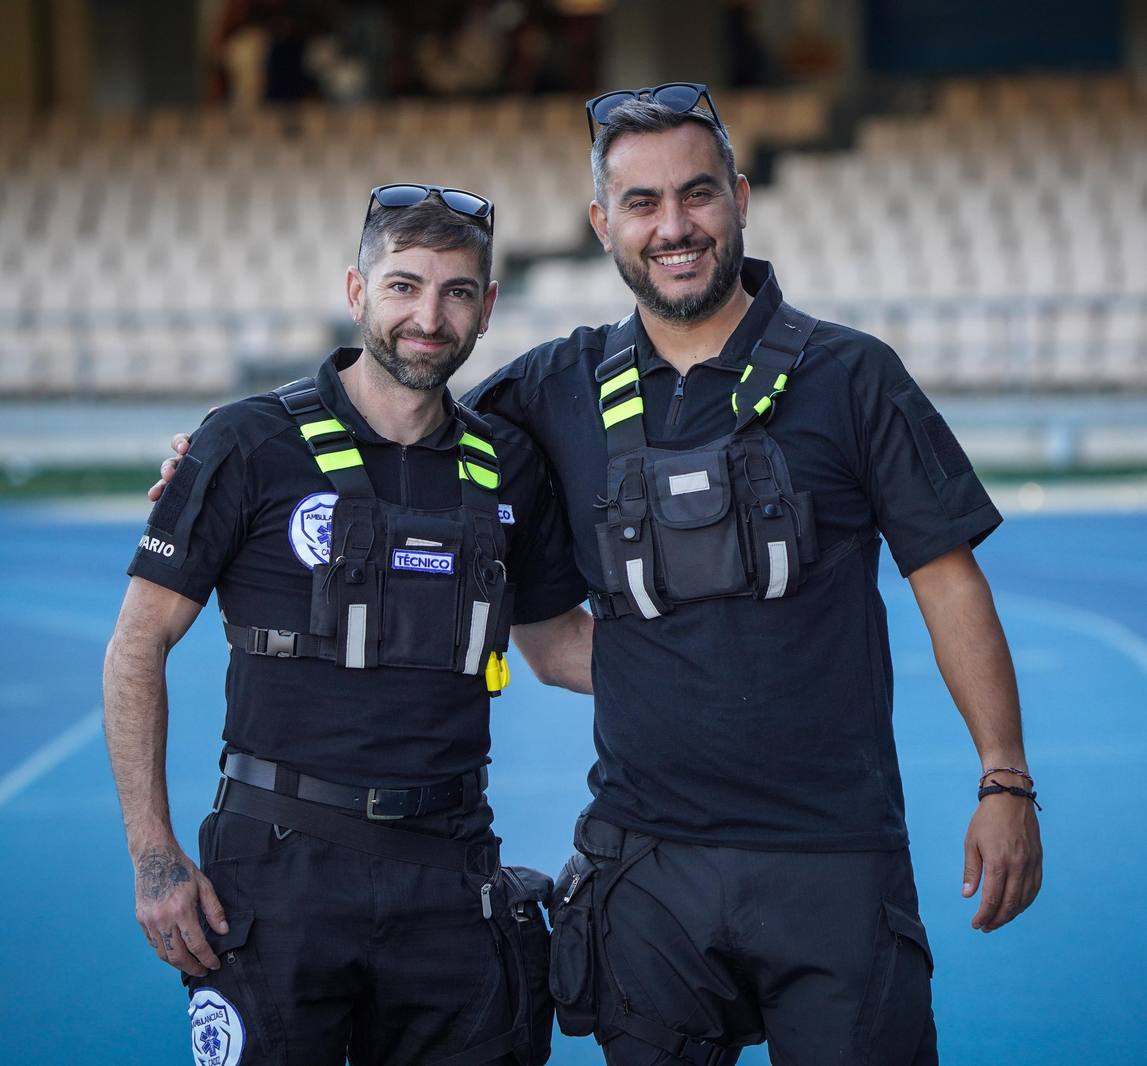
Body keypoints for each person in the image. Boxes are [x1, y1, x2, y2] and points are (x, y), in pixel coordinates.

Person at [155, 89, 1043, 1065]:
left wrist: (1003, 775)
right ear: (601, 224)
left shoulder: (852, 374)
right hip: (645, 870)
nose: (673, 226)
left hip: (832, 854)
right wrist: (226, 455)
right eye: (641, 203)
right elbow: (404, 418)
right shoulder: (549, 389)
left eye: (696, 195)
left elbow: (947, 580)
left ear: (739, 200)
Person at [106, 185, 593, 1066]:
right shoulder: (246, 442)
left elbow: (561, 647)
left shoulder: (510, 465)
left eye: (455, 291)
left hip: (450, 872)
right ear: (357, 291)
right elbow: (138, 643)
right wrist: (154, 856)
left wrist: (715, 660)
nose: (428, 316)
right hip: (278, 873)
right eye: (403, 285)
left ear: (486, 309)